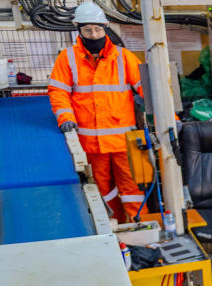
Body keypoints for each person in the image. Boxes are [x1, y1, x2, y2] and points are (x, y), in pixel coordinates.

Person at [47, 2, 145, 223]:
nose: (93, 34)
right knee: (102, 192)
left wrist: (171, 120)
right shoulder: (67, 58)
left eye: (98, 29)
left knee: (133, 190)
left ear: (106, 28)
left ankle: (141, 230)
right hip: (90, 143)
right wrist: (65, 118)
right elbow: (58, 91)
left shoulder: (124, 57)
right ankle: (113, 229)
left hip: (124, 142)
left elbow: (149, 91)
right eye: (88, 30)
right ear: (78, 30)